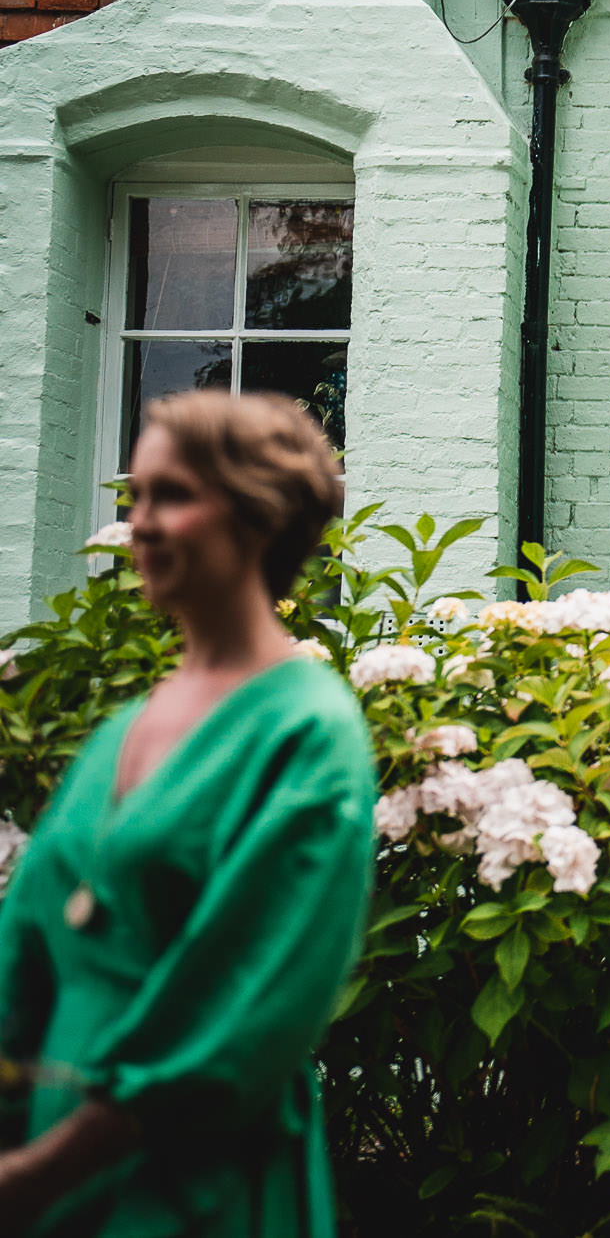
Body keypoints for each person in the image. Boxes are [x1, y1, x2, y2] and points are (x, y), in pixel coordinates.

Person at [0, 390, 375, 1237]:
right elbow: (23, 952)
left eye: (171, 495)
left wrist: (43, 1172)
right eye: (136, 498)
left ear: (257, 515)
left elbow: (246, 1003)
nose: (140, 523)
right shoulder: (121, 730)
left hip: (191, 1185)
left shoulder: (307, 731)